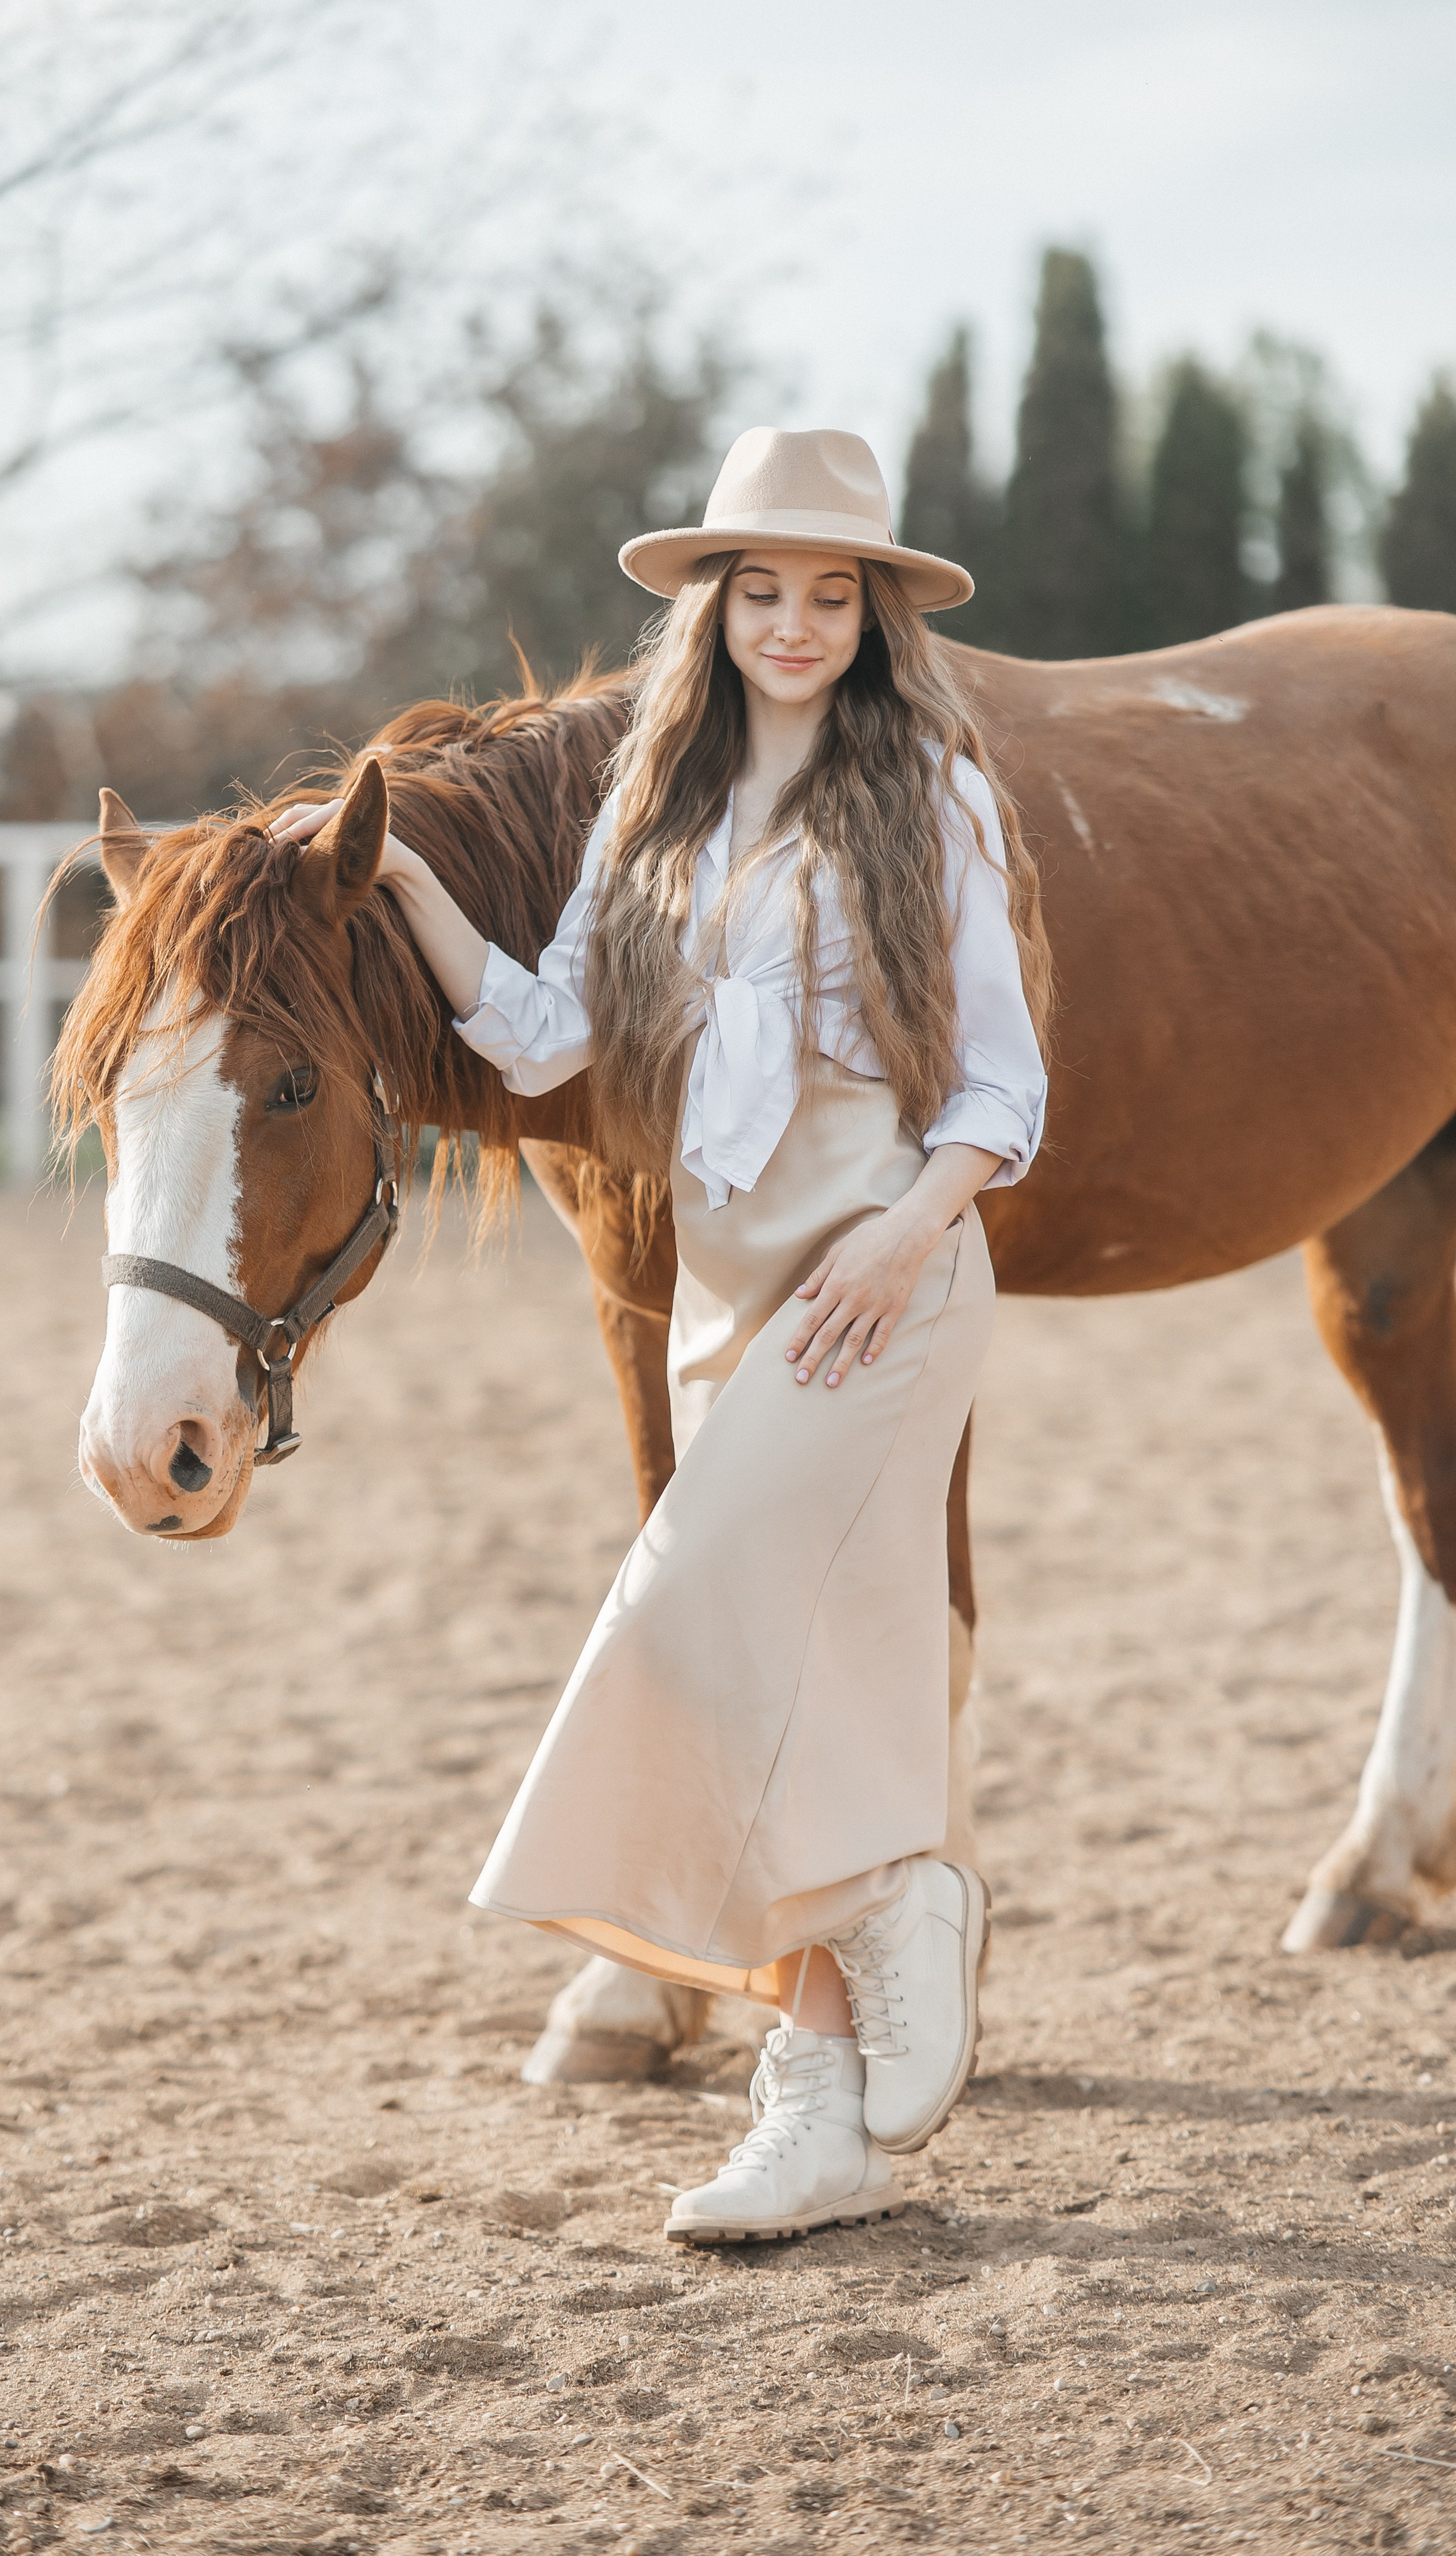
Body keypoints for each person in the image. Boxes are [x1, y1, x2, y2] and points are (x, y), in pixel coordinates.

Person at [274, 427, 1051, 2244]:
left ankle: (868, 1958)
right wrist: (407, 889)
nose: (795, 622)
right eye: (760, 589)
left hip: (882, 1268)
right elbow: (549, 1038)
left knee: (687, 1620)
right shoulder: (655, 809)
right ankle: (845, 2049)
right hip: (729, 1286)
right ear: (711, 609)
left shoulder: (936, 791)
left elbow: (1005, 1085)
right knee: (786, 1677)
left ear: (874, 616)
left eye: (831, 592)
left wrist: (905, 1235)